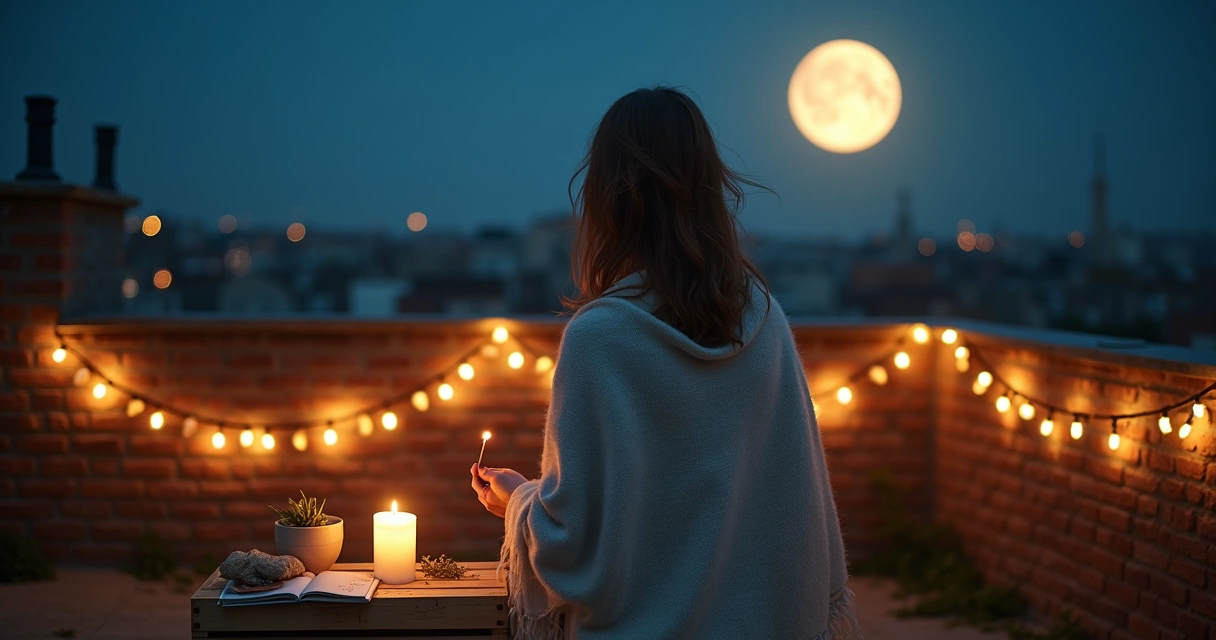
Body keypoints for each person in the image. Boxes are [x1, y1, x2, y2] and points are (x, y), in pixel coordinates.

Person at [470, 86, 861, 639]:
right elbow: (796, 519)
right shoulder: (765, 320)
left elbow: (573, 544)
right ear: (708, 187)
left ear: (607, 196)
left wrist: (518, 499)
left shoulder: (599, 339)